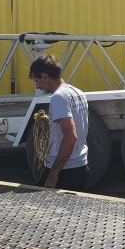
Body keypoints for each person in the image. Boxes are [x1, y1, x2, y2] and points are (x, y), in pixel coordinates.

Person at [29, 54, 89, 190]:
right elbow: (76, 123)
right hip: (81, 166)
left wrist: (53, 175)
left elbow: (71, 136)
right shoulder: (78, 93)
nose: (37, 86)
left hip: (65, 171)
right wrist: (50, 121)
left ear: (45, 77)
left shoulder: (58, 97)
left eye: (37, 81)